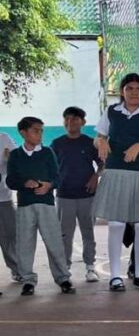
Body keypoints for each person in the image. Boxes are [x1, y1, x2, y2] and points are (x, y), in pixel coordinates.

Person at [94, 73, 139, 291]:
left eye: (138, 88)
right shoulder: (111, 112)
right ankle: (115, 276)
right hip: (116, 172)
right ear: (122, 91)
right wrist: (100, 141)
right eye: (129, 88)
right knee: (116, 224)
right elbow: (98, 135)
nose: (134, 92)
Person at [6, 117, 74, 296]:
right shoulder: (15, 155)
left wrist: (48, 185)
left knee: (54, 242)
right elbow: (10, 180)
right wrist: (24, 182)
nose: (40, 134)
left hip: (46, 204)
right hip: (25, 206)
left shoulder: (47, 152)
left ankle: (63, 278)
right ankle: (28, 280)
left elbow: (57, 177)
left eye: (41, 130)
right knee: (25, 244)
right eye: (36, 130)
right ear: (23, 133)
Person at [51, 106, 101, 282]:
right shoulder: (57, 144)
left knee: (88, 232)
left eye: (74, 119)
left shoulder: (90, 142)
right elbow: (50, 168)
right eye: (67, 119)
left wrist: (95, 177)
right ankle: (65, 269)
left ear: (83, 122)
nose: (70, 122)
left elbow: (103, 163)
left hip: (87, 195)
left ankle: (90, 267)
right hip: (64, 195)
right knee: (65, 234)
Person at [0, 129, 20, 283]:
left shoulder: (4, 138)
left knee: (11, 234)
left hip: (3, 198)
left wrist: (9, 160)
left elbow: (17, 161)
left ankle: (17, 269)